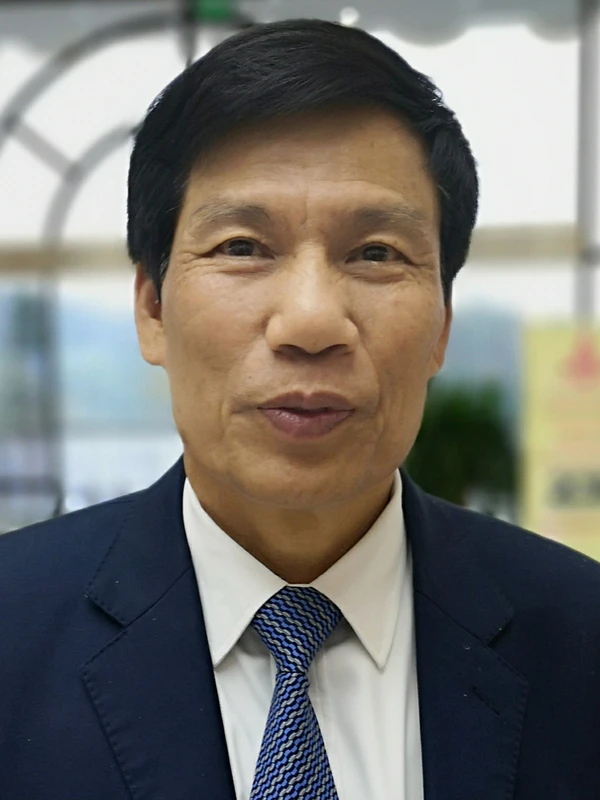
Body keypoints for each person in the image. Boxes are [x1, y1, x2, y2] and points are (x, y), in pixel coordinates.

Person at [1, 18, 599, 800]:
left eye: (376, 253)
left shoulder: (582, 640)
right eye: (243, 247)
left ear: (442, 326)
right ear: (151, 307)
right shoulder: (13, 629)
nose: (312, 321)